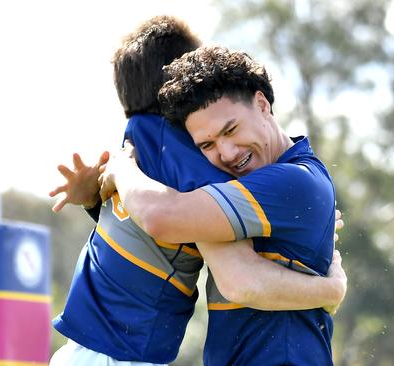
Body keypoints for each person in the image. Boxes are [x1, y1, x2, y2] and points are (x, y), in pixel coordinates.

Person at [49, 16, 347, 366]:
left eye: (231, 128)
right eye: (207, 143)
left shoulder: (142, 142)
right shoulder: (172, 156)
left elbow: (167, 223)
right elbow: (157, 220)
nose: (226, 153)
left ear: (262, 104)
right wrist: (329, 288)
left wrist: (113, 176)